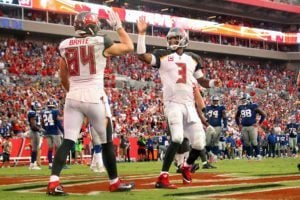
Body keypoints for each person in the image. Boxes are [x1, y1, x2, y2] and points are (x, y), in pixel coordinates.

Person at [47, 10, 135, 196]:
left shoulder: (65, 45)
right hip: (95, 97)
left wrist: (70, 91)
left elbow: (63, 74)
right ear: (90, 25)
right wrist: (118, 27)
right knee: (106, 141)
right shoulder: (100, 41)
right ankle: (114, 182)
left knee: (68, 140)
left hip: (73, 96)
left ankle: (53, 182)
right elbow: (128, 47)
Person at [137, 16, 222, 188]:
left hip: (189, 106)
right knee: (176, 138)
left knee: (199, 142)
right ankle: (163, 176)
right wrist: (141, 35)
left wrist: (213, 83)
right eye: (171, 39)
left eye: (176, 38)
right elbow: (142, 56)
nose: (173, 41)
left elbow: (202, 81)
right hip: (173, 104)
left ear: (183, 39)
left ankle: (187, 166)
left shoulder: (193, 58)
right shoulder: (163, 55)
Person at [235, 93, 266, 160]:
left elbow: (263, 115)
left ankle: (258, 155)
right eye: (242, 100)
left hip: (252, 126)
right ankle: (249, 156)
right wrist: (239, 124)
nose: (242, 101)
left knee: (254, 141)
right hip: (244, 127)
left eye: (244, 99)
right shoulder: (240, 107)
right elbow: (236, 117)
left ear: (248, 99)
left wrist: (258, 124)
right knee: (246, 143)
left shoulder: (254, 106)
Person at [41, 98, 64, 169]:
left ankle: (50, 164)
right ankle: (58, 164)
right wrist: (63, 131)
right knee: (59, 148)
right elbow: (58, 123)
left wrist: (45, 129)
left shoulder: (43, 112)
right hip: (54, 132)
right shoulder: (55, 111)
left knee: (50, 148)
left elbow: (42, 123)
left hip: (47, 132)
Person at [205, 95, 227, 161]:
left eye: (216, 101)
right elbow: (204, 116)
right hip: (209, 126)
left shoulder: (221, 107)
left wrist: (225, 126)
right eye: (214, 101)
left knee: (215, 142)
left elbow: (224, 117)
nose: (215, 102)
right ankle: (210, 154)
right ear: (211, 101)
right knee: (207, 142)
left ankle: (214, 156)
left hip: (218, 126)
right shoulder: (207, 107)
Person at [28, 101, 43, 170]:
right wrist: (39, 129)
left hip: (35, 131)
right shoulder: (32, 113)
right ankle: (33, 164)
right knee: (35, 149)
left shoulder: (34, 113)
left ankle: (32, 164)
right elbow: (33, 124)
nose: (38, 109)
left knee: (35, 149)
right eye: (37, 107)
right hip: (34, 131)